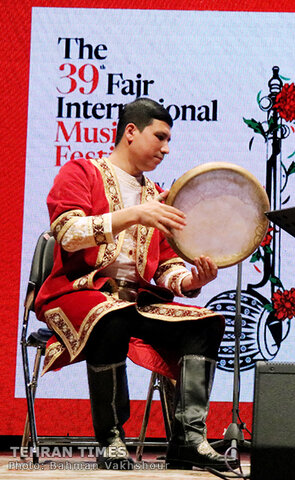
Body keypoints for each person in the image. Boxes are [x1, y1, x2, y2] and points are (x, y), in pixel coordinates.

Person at [35, 98, 231, 471]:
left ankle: (188, 438)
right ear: (130, 132)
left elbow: (166, 267)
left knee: (205, 323)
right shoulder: (81, 172)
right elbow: (68, 234)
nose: (166, 148)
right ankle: (111, 437)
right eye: (160, 136)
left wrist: (192, 279)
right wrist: (134, 214)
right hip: (78, 293)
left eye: (169, 140)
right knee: (112, 316)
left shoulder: (153, 194)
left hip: (134, 302)